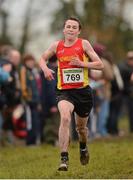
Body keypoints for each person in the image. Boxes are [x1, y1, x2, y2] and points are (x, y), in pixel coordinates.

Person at [39, 17, 104, 171]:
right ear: (64, 29)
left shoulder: (84, 44)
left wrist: (82, 64)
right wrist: (45, 69)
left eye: (74, 27)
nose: (70, 29)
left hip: (83, 92)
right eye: (68, 26)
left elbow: (100, 64)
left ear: (78, 31)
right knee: (66, 117)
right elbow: (42, 59)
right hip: (64, 91)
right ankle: (64, 159)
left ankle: (83, 146)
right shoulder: (57, 45)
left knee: (81, 129)